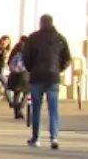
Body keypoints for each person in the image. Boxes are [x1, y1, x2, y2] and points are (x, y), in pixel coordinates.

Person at [21, 14, 72, 149]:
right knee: (53, 109)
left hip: (37, 77)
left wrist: (31, 69)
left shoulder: (33, 38)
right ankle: (54, 138)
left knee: (36, 109)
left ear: (41, 23)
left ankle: (36, 138)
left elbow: (26, 57)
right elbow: (67, 58)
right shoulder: (60, 38)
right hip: (53, 77)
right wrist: (58, 69)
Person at [7, 36, 30, 119]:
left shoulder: (15, 51)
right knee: (26, 93)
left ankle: (16, 112)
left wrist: (14, 69)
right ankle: (20, 108)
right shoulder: (28, 51)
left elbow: (9, 63)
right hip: (25, 75)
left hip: (15, 75)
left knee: (17, 94)